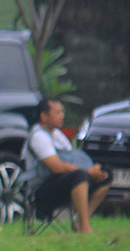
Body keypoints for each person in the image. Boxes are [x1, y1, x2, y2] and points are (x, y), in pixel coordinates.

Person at [21, 98, 110, 233]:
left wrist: (94, 170)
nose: (62, 116)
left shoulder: (57, 134)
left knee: (105, 177)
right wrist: (88, 171)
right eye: (57, 112)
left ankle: (79, 222)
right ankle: (85, 228)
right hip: (41, 191)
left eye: (62, 112)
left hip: (62, 182)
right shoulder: (39, 136)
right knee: (80, 176)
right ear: (44, 116)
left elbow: (72, 159)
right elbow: (56, 167)